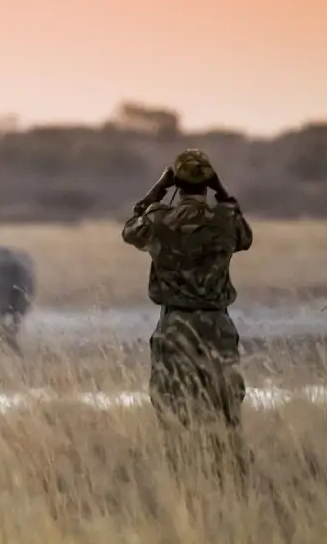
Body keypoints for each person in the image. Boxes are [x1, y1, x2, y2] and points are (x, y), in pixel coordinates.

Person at [121, 149, 253, 493]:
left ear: (176, 182)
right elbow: (246, 236)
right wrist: (222, 191)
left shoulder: (159, 221)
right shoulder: (225, 220)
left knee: (174, 410)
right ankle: (233, 487)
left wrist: (158, 190)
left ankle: (183, 485)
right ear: (208, 182)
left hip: (174, 324)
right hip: (218, 327)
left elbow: (129, 229)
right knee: (227, 412)